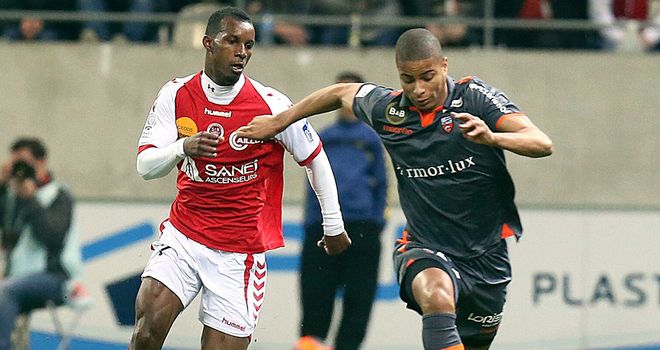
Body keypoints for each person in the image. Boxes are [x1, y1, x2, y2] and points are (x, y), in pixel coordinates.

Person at [237, 28, 553, 350]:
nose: (418, 89)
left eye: (427, 76)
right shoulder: (389, 111)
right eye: (407, 79)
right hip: (425, 246)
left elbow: (541, 143)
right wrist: (280, 122)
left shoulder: (474, 98)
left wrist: (493, 138)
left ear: (444, 65)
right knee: (436, 294)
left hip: (487, 254)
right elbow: (342, 92)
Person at [132, 7, 351, 350]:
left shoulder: (270, 105)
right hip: (184, 236)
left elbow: (316, 159)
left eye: (249, 45)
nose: (242, 52)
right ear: (208, 43)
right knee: (146, 333)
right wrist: (182, 147)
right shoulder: (175, 95)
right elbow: (145, 165)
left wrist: (333, 224)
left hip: (239, 255)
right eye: (232, 41)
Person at [296, 72, 388, 350]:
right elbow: (310, 183)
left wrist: (375, 222)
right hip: (321, 228)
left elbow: (383, 186)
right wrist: (314, 222)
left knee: (358, 303)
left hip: (362, 227)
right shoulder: (322, 137)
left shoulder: (372, 140)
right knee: (315, 299)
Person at [0, 137, 82, 350]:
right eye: (16, 164)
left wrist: (31, 199)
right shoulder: (11, 196)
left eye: (25, 164)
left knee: (5, 291)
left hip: (54, 277)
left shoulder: (59, 194)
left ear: (41, 162)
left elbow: (52, 236)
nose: (21, 170)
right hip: (15, 278)